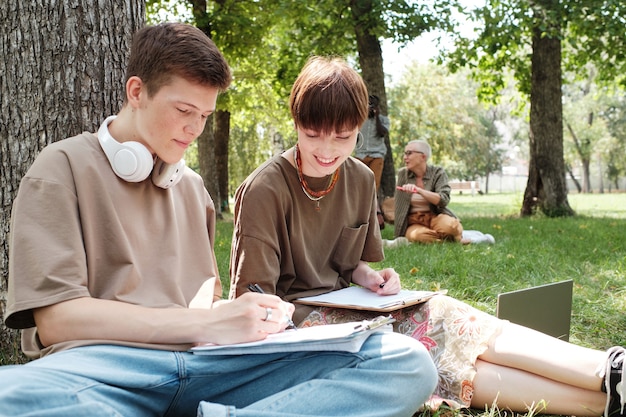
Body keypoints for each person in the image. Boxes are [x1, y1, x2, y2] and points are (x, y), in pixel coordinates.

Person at [0, 24, 437, 417]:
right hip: (104, 366)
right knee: (11, 394)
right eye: (184, 110)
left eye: (205, 116)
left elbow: (202, 305)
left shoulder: (190, 188)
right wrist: (207, 322)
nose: (195, 129)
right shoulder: (61, 168)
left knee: (405, 362)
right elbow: (56, 321)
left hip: (208, 364)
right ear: (137, 92)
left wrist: (243, 315)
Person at [229, 57, 626, 416]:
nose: (328, 150)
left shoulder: (360, 178)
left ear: (358, 133)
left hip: (352, 311)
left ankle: (607, 371)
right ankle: (601, 398)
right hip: (299, 327)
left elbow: (353, 265)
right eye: (314, 134)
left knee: (447, 312)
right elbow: (254, 303)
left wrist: (370, 278)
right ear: (296, 123)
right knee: (426, 342)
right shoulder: (264, 189)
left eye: (343, 136)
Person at [391, 139, 464, 244]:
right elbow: (399, 206)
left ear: (423, 156)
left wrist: (419, 190)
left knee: (451, 228)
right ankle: (453, 240)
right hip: (414, 221)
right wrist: (399, 232)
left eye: (409, 153)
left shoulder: (437, 172)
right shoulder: (403, 174)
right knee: (418, 236)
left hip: (435, 215)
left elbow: (443, 200)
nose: (405, 157)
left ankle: (447, 236)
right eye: (405, 153)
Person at [354, 94, 390, 192]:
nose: (371, 108)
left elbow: (382, 133)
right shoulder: (359, 119)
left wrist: (377, 116)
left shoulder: (383, 120)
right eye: (369, 105)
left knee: (373, 183)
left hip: (376, 155)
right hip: (360, 154)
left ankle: (371, 205)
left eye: (373, 105)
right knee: (356, 181)